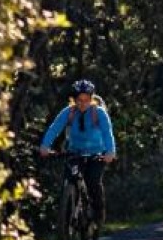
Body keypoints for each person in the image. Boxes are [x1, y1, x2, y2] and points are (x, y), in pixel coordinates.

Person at [39, 79, 116, 225]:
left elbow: (107, 133)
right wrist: (45, 146)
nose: (83, 103)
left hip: (96, 154)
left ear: (91, 99)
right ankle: (67, 215)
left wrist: (110, 152)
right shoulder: (69, 112)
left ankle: (98, 214)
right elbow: (54, 129)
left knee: (93, 182)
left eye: (86, 100)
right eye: (79, 100)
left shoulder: (98, 113)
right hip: (74, 152)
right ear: (74, 100)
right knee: (69, 180)